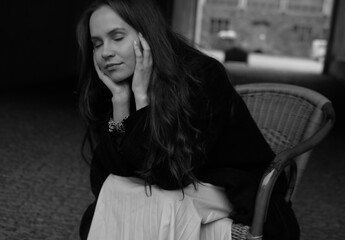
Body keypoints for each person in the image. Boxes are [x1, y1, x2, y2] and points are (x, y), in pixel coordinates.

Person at [76, 0, 299, 239]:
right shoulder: (118, 87)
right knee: (113, 199)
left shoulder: (200, 77)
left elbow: (167, 174)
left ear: (146, 36)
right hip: (175, 190)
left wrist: (143, 101)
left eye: (117, 37)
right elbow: (111, 172)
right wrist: (120, 101)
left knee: (149, 209)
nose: (105, 52)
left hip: (229, 188)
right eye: (97, 44)